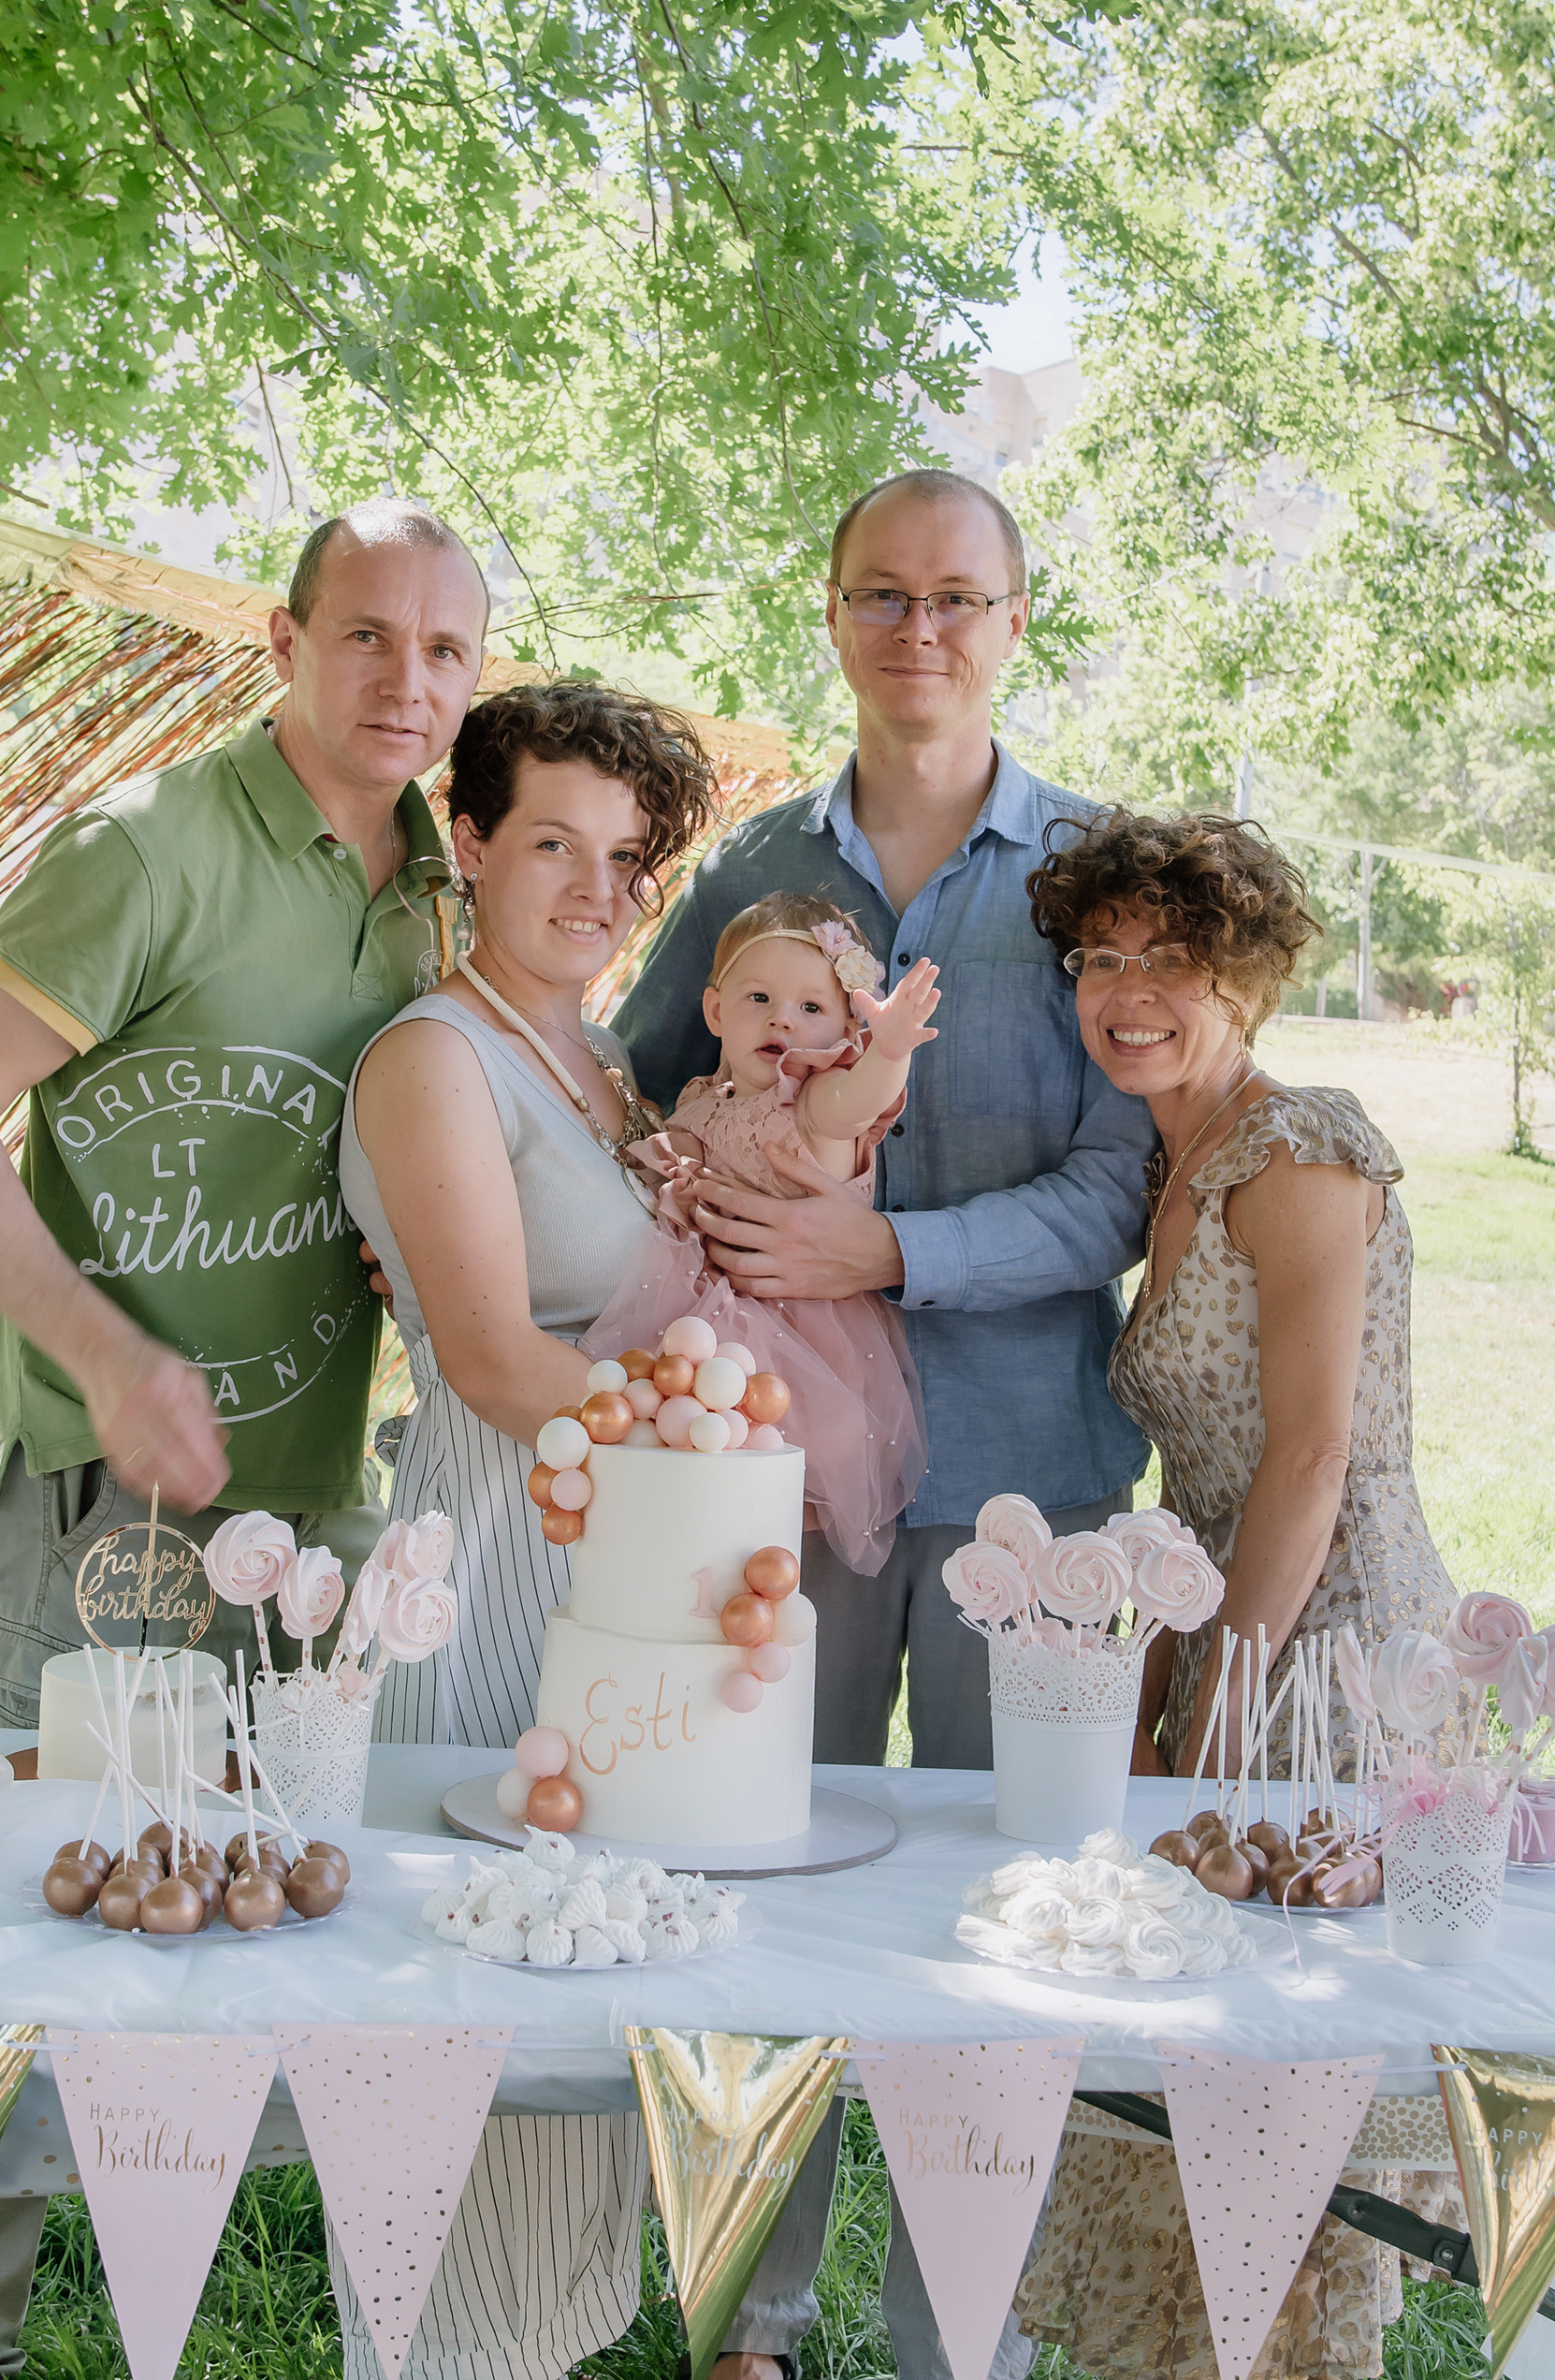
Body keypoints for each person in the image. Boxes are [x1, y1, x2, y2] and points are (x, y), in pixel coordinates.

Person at [0, 500, 487, 2380]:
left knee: (244, 1906)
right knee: (44, 1913)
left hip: (311, 1508)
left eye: (447, 650)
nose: (408, 680)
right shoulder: (146, 851)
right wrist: (101, 1343)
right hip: (102, 1506)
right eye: (366, 634)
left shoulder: (433, 884)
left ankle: (175, 2284)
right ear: (280, 638)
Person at [615, 468, 1154, 2380]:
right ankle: (750, 2319)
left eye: (956, 597)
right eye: (877, 595)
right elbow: (631, 1103)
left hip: (1033, 1471)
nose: (915, 631)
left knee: (1006, 1917)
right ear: (830, 613)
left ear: (1015, 619)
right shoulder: (751, 867)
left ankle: (966, 2337)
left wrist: (886, 1248)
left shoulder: (1099, 875)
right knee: (755, 1865)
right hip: (776, 1468)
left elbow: (1120, 1183)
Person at [1010, 806, 1463, 2380]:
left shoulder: (1302, 1147)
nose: (1129, 989)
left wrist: (1224, 1712)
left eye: (1171, 959)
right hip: (1219, 1618)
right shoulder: (1163, 1160)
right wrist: (1154, 1686)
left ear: (1248, 979)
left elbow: (1312, 1461)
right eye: (1102, 959)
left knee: (1279, 2091)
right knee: (1178, 2068)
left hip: (1330, 1641)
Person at [341, 678, 718, 2380]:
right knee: (477, 2022)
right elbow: (493, 1359)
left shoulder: (601, 1058)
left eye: (627, 859)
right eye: (551, 841)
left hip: (625, 1559)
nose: (593, 887)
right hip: (499, 1565)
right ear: (469, 843)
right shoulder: (436, 1059)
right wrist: (712, 1454)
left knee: (585, 2013)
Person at [582, 891, 935, 1570]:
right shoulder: (700, 1098)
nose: (783, 1019)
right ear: (716, 1010)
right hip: (697, 1317)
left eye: (811, 1008)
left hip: (790, 1331)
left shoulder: (816, 1101)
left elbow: (860, 1098)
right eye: (759, 1000)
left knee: (752, 1476)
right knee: (675, 1462)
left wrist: (889, 1049)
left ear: (843, 1028)